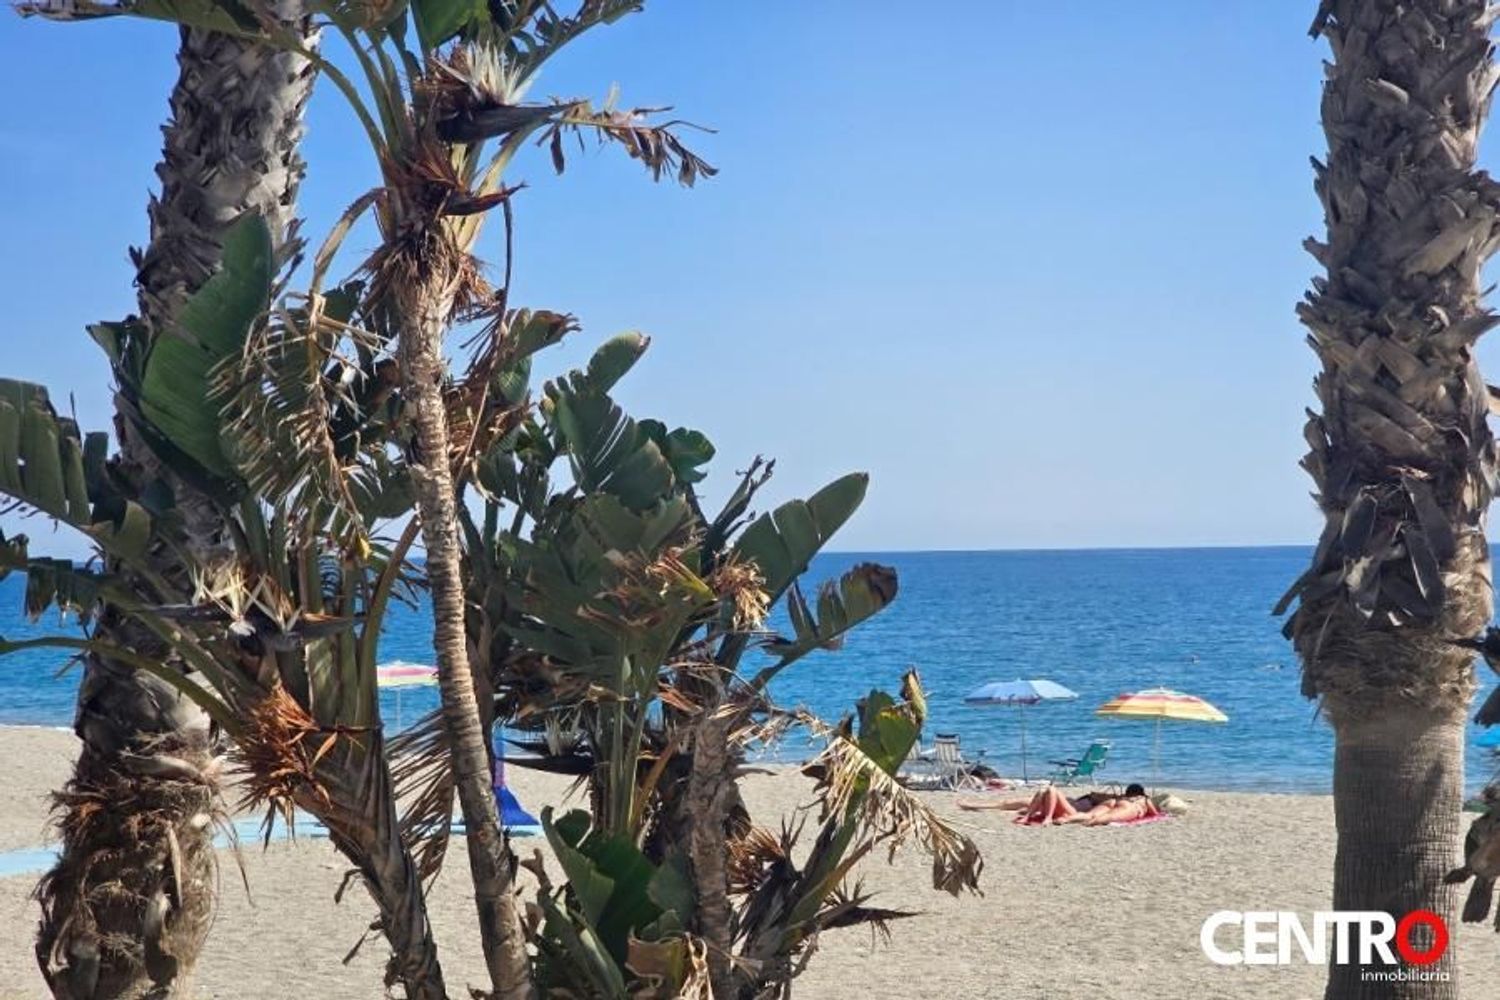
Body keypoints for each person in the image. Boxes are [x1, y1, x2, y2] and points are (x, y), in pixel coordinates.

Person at [957, 782, 1162, 826]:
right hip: (1066, 808)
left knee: (1014, 802)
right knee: (1095, 817)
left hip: (1066, 807)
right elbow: (1154, 813)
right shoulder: (1139, 801)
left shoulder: (1110, 800)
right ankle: (978, 805)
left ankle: (978, 804)